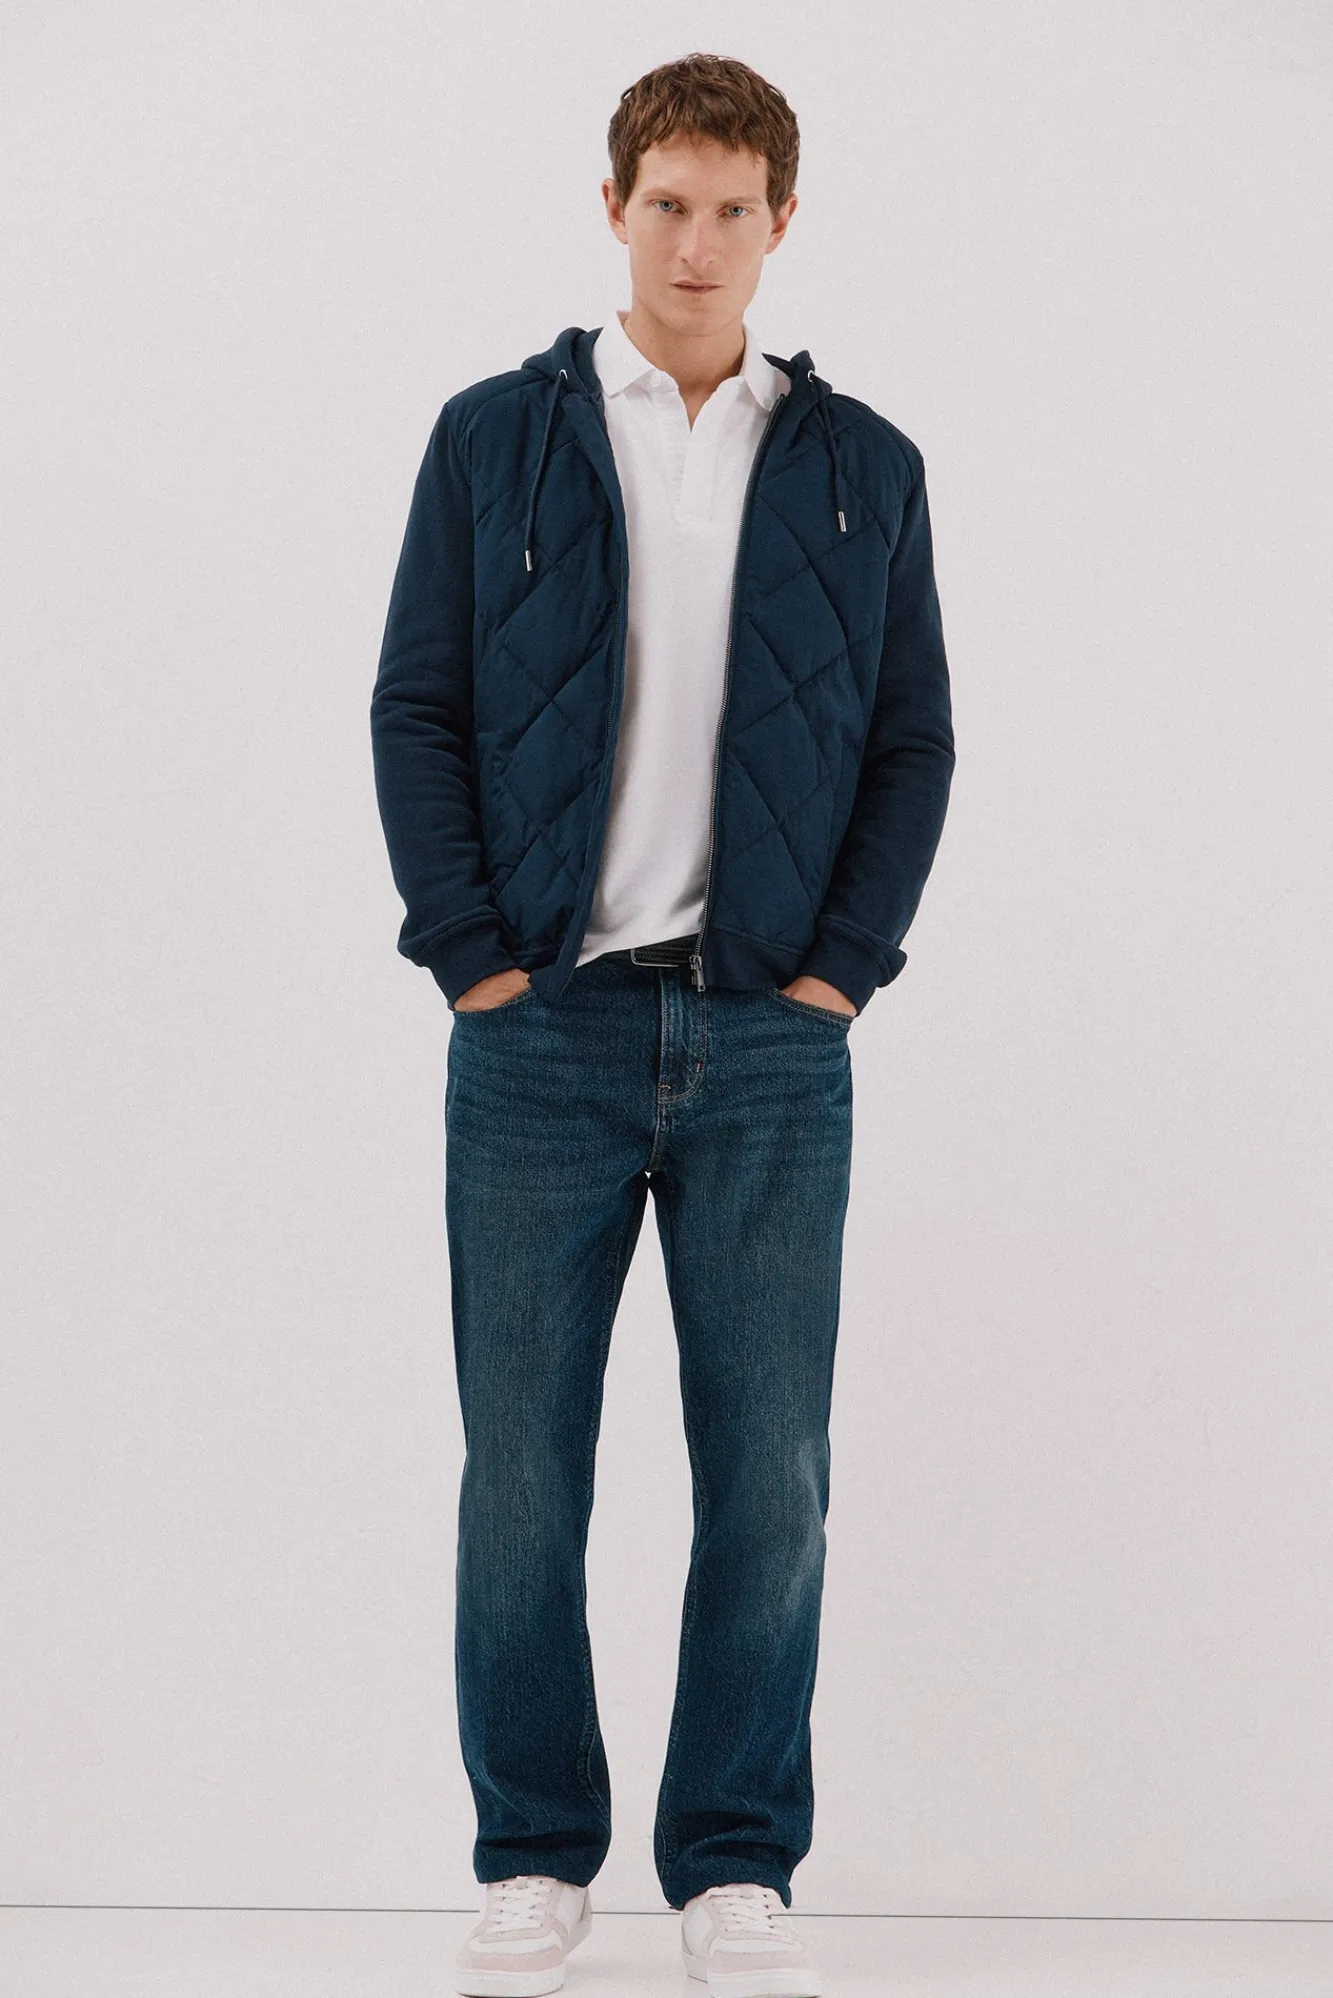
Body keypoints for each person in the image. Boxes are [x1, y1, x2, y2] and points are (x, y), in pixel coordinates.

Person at [370, 50, 955, 1998]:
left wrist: (838, 972)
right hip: (539, 1036)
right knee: (523, 1473)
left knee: (772, 1472)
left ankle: (734, 1861)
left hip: (771, 1045)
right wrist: (474, 957)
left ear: (782, 222)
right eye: (666, 205)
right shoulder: (496, 439)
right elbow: (417, 706)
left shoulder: (865, 467)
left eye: (733, 210)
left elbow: (912, 738)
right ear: (613, 207)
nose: (697, 243)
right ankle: (536, 1850)